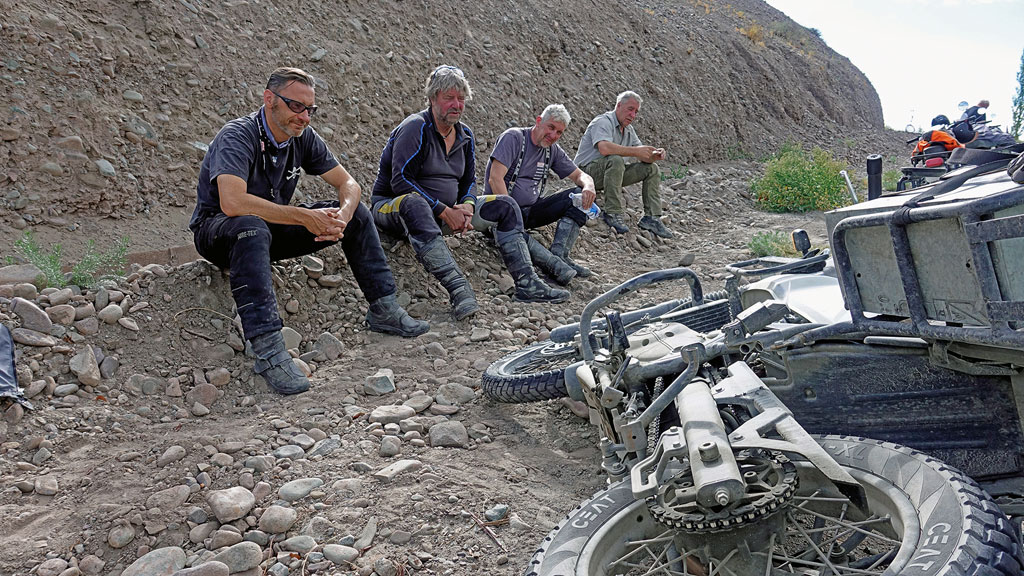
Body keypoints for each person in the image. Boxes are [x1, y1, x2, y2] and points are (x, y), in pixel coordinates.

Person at [189, 67, 428, 396]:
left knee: (357, 212)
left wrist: (342, 216)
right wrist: (303, 216)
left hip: (267, 230)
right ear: (269, 99)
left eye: (310, 109)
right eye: (296, 106)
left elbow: (349, 183)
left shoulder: (301, 138)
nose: (304, 117)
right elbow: (232, 203)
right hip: (218, 231)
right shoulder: (238, 135)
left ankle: (384, 308)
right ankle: (269, 349)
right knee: (251, 225)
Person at [371, 65, 570, 307]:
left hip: (445, 213)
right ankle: (459, 289)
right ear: (433, 98)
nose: (456, 104)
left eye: (461, 98)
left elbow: (468, 182)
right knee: (415, 203)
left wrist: (466, 205)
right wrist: (445, 211)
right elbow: (400, 181)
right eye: (449, 98)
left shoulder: (464, 134)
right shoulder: (416, 127)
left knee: (505, 205)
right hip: (393, 209)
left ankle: (528, 283)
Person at [484, 104, 598, 277]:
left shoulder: (551, 150)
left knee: (577, 196)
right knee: (515, 231)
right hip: (500, 212)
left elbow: (579, 175)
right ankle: (555, 266)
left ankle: (561, 255)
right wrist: (510, 215)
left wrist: (589, 186)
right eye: (550, 127)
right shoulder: (513, 138)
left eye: (559, 132)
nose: (553, 136)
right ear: (539, 121)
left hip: (529, 211)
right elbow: (495, 178)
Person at [574, 91, 673, 238]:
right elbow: (604, 148)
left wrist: (654, 155)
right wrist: (636, 151)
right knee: (616, 159)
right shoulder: (603, 121)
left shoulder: (628, 130)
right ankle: (612, 212)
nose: (633, 115)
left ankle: (651, 218)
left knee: (651, 169)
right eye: (630, 109)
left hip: (611, 173)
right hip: (585, 174)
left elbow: (642, 156)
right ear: (619, 105)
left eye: (636, 112)